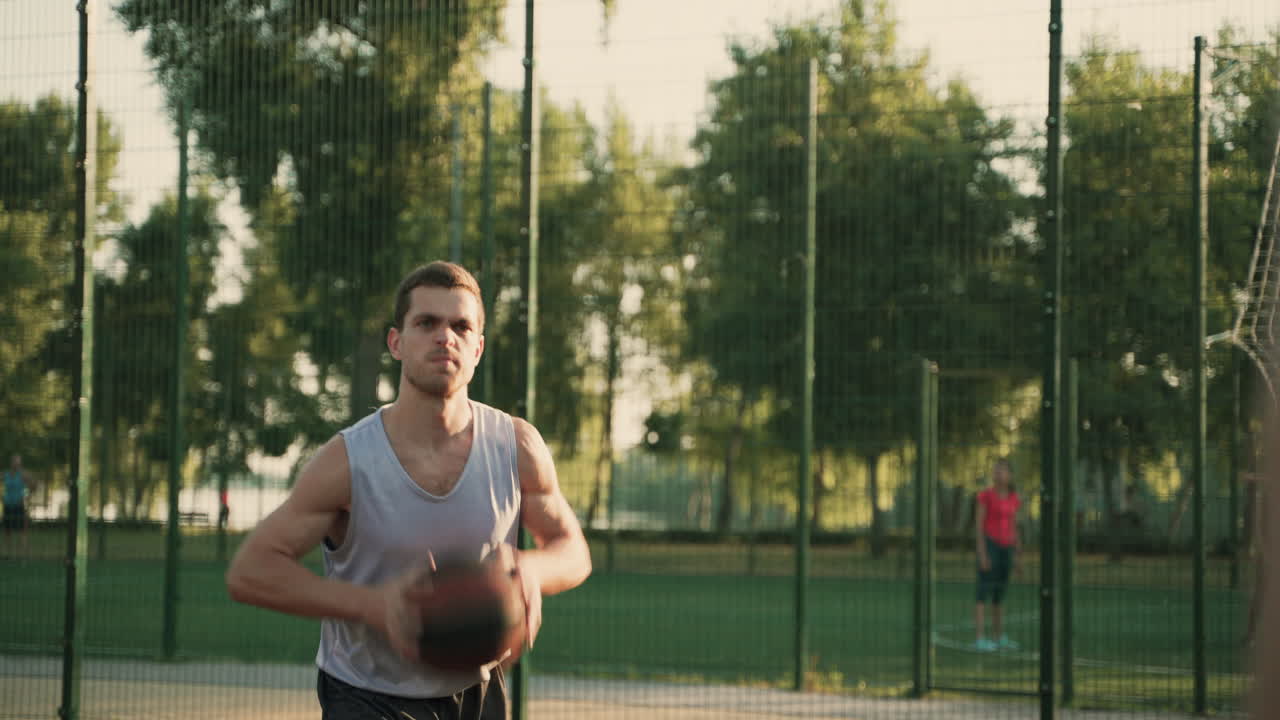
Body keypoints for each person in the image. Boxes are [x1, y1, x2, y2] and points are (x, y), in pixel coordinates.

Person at [226, 261, 592, 720]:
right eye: (427, 323)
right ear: (396, 342)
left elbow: (573, 550)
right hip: (367, 697)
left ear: (478, 348)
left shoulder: (515, 445)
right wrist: (374, 605)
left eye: (461, 326)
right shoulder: (348, 461)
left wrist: (529, 571)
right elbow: (251, 571)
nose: (445, 337)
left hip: (479, 692)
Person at [974, 457, 1020, 652]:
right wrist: (983, 554)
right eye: (996, 470)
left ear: (1010, 475)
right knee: (983, 592)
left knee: (999, 595)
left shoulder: (1013, 498)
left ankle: (999, 636)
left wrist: (1017, 554)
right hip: (990, 545)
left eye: (1002, 470)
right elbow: (978, 527)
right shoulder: (985, 496)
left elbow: (1014, 526)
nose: (998, 473)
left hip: (1006, 549)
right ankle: (979, 639)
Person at [3, 454, 34, 558]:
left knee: (22, 530)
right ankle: (8, 553)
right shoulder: (6, 474)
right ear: (11, 463)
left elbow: (33, 485)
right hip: (8, 505)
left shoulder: (24, 475)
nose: (16, 464)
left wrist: (28, 496)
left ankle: (22, 554)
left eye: (18, 462)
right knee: (7, 531)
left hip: (19, 505)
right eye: (14, 462)